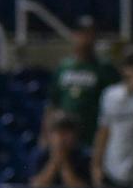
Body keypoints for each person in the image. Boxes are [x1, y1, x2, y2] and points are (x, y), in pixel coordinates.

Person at [44, 15, 119, 147]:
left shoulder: (105, 68)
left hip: (93, 136)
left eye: (91, 34)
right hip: (65, 137)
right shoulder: (64, 67)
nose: (87, 38)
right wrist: (46, 135)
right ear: (75, 35)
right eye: (83, 33)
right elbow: (53, 103)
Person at [91, 49, 133, 188]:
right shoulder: (110, 95)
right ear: (123, 69)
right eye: (131, 65)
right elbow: (104, 131)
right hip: (114, 172)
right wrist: (96, 165)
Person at [29, 112, 89, 188]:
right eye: (58, 132)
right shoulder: (39, 155)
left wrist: (64, 163)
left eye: (66, 133)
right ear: (49, 135)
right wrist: (54, 161)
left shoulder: (85, 157)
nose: (62, 138)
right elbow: (35, 187)